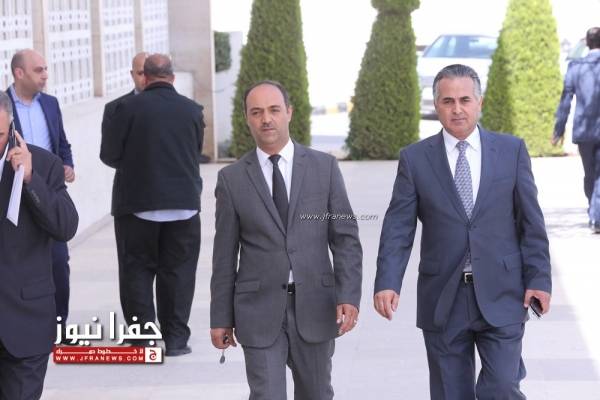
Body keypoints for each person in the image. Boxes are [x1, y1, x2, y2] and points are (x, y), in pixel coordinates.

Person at [374, 64, 552, 399]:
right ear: (436, 105)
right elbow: (398, 226)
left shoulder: (511, 151)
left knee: (501, 386)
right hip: (443, 295)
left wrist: (539, 279)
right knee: (450, 393)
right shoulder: (415, 159)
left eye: (465, 100)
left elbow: (531, 223)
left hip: (503, 291)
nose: (457, 109)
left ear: (479, 102)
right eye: (448, 101)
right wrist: (387, 280)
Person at [210, 80, 362, 399]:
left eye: (274, 110)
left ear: (289, 112)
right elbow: (224, 255)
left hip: (316, 305)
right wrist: (221, 317)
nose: (266, 119)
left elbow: (345, 238)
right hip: (258, 310)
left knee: (317, 393)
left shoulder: (324, 168)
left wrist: (348, 294)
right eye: (256, 112)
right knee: (266, 395)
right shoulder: (232, 179)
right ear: (247, 118)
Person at [100, 54, 205, 356]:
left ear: (144, 77)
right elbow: (195, 151)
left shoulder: (123, 109)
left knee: (136, 272)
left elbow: (109, 155)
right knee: (179, 273)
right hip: (184, 206)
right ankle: (176, 340)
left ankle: (143, 339)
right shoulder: (193, 110)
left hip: (137, 205)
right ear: (172, 77)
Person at [0, 91, 78, 399]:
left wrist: (31, 179)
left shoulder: (44, 164)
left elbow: (65, 226)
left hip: (25, 322)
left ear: (11, 129)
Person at [6, 48, 75, 338]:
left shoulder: (50, 103)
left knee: (58, 262)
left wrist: (67, 164)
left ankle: (58, 325)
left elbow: (62, 142)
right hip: (15, 194)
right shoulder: (3, 106)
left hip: (48, 191)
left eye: (46, 69)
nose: (45, 75)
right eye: (39, 70)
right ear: (19, 73)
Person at [553, 27, 600, 233]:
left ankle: (595, 213)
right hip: (589, 130)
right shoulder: (578, 67)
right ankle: (596, 214)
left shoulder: (576, 67)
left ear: (587, 43)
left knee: (590, 174)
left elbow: (566, 100)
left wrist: (559, 129)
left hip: (584, 130)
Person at [101, 52, 148, 216]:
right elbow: (108, 154)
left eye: (149, 73)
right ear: (132, 74)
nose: (145, 78)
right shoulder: (114, 108)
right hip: (128, 196)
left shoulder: (175, 107)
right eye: (140, 73)